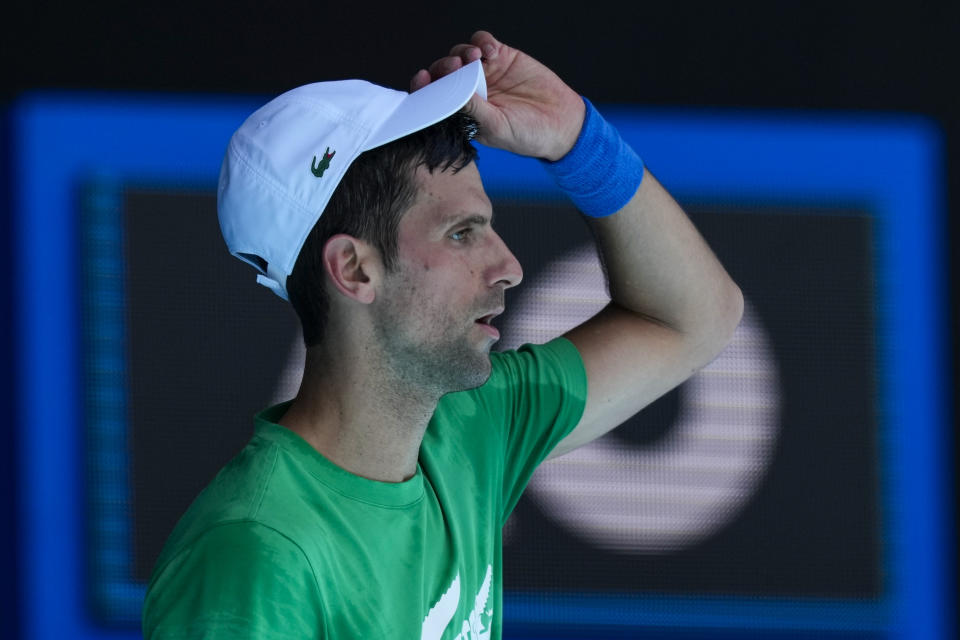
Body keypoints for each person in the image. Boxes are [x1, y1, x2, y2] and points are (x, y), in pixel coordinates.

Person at [142, 31, 743, 639]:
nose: (508, 266)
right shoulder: (254, 556)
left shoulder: (470, 428)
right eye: (462, 233)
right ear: (355, 269)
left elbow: (694, 318)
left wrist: (577, 140)